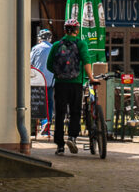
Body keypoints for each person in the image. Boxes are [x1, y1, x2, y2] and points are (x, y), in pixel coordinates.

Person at [46, 19, 97, 155]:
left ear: (64, 30)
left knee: (60, 113)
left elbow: (49, 65)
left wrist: (60, 73)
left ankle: (60, 146)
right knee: (75, 111)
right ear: (77, 30)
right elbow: (86, 61)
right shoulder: (81, 44)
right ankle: (72, 138)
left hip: (60, 83)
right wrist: (91, 77)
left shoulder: (56, 45)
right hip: (76, 83)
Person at [29, 28, 54, 136]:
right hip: (50, 81)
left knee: (36, 104)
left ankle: (33, 128)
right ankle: (47, 126)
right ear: (50, 39)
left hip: (37, 81)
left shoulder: (36, 49)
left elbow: (30, 63)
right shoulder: (53, 48)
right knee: (49, 103)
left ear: (40, 38)